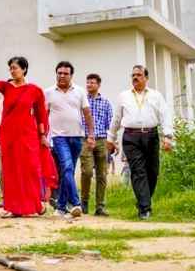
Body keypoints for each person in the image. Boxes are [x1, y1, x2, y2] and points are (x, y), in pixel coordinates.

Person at [0, 56, 55, 217]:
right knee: (11, 171)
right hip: (9, 135)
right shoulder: (7, 87)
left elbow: (41, 115)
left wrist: (42, 135)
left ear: (24, 69)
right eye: (10, 68)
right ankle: (14, 208)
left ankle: (34, 206)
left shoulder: (35, 90)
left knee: (29, 170)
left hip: (28, 135)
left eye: (15, 67)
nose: (12, 70)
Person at [107, 65, 174, 220]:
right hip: (131, 137)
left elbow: (165, 115)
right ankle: (145, 209)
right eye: (133, 75)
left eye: (139, 75)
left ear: (146, 78)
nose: (135, 78)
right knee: (138, 171)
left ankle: (143, 200)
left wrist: (168, 136)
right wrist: (111, 138)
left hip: (151, 135)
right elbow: (116, 118)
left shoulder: (156, 96)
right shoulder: (123, 96)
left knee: (153, 171)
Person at [45, 61, 95, 218]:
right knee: (66, 168)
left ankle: (60, 207)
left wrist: (91, 135)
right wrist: (42, 136)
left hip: (77, 137)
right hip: (58, 137)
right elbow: (43, 115)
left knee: (69, 171)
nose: (61, 76)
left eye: (65, 73)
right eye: (59, 73)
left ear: (71, 75)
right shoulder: (48, 92)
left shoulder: (79, 92)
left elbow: (87, 114)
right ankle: (76, 203)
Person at [79, 73, 113, 216]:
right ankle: (84, 201)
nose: (89, 85)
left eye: (92, 83)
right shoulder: (81, 100)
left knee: (102, 174)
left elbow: (110, 123)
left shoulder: (105, 102)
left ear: (98, 85)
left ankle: (100, 206)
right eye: (87, 82)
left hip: (102, 140)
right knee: (86, 171)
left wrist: (112, 141)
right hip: (85, 139)